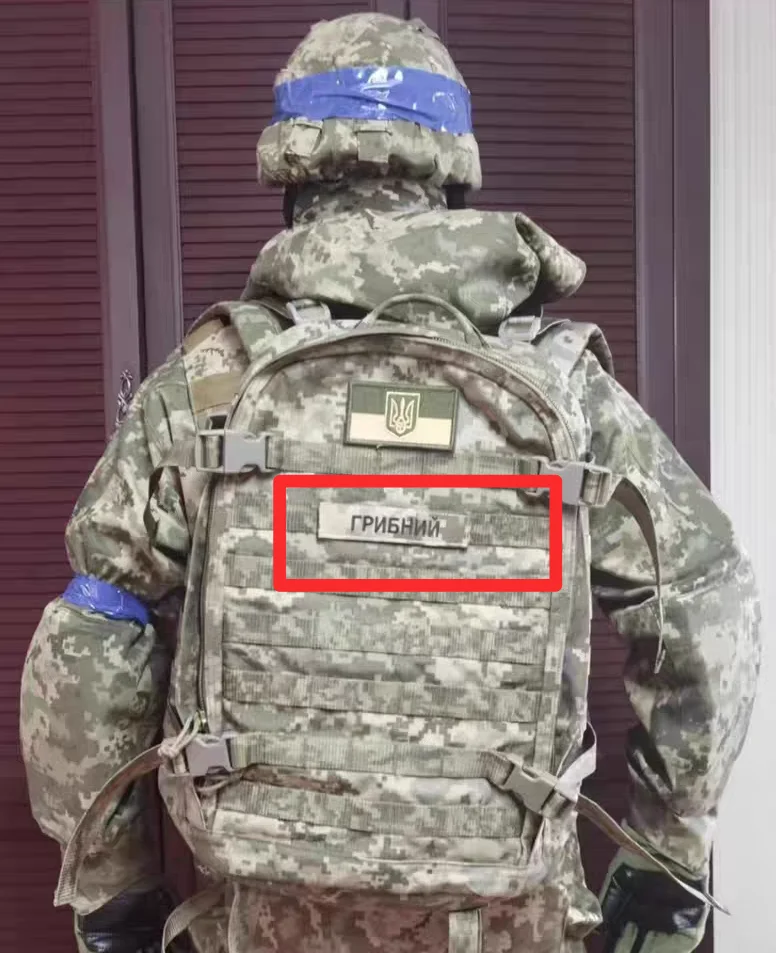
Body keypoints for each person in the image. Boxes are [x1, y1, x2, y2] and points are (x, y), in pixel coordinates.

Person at [19, 12, 760, 953]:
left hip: (265, 920)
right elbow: (705, 605)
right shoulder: (566, 390)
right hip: (509, 925)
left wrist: (112, 888)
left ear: (292, 171)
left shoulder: (211, 383)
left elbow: (92, 638)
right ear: (450, 169)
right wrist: (666, 859)